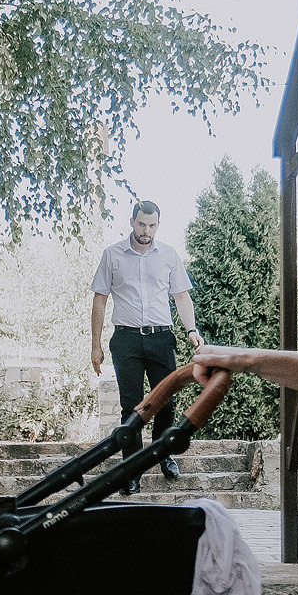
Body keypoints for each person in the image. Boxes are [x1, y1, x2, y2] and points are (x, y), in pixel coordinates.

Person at [90, 201, 206, 494]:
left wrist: (191, 329)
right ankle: (132, 472)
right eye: (142, 224)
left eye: (152, 225)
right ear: (132, 221)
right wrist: (95, 345)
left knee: (166, 401)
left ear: (158, 224)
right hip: (126, 339)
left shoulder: (167, 255)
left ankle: (163, 455)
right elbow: (100, 300)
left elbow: (181, 296)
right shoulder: (112, 255)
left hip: (161, 338)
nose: (147, 231)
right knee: (131, 407)